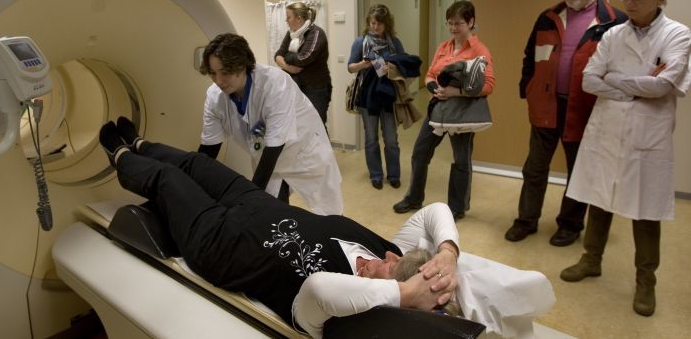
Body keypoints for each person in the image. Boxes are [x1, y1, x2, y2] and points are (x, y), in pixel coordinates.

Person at [99, 117, 555, 338]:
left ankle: (119, 155)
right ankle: (139, 141)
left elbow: (317, 286)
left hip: (220, 241)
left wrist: (401, 294)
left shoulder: (344, 313)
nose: (386, 258)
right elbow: (432, 211)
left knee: (168, 180)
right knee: (197, 163)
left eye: (390, 268)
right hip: (255, 204)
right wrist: (448, 254)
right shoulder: (384, 255)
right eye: (393, 257)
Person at [560, 0, 690, 317]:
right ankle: (591, 260)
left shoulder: (678, 35)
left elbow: (664, 85)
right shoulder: (613, 35)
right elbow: (589, 79)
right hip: (608, 130)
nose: (629, 3)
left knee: (645, 211)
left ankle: (646, 282)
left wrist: (615, 79)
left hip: (648, 135)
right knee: (599, 198)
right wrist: (636, 85)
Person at [504, 0, 628, 246]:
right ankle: (526, 220)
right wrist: (528, 89)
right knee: (534, 167)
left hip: (585, 110)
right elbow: (529, 55)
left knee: (579, 171)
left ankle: (570, 225)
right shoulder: (548, 17)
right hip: (546, 105)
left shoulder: (614, 21)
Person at [197, 33, 343, 215]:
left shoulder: (275, 84)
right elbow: (209, 149)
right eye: (212, 73)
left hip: (303, 153)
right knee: (273, 215)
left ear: (242, 65)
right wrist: (190, 184)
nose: (218, 81)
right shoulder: (214, 97)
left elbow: (274, 148)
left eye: (225, 73)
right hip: (265, 156)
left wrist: (249, 196)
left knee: (331, 217)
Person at [393, 1, 495, 220]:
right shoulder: (444, 46)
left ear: (471, 22)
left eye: (458, 23)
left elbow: (488, 86)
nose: (453, 28)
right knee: (420, 153)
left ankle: (456, 207)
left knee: (461, 159)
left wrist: (455, 92)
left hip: (462, 114)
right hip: (437, 109)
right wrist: (434, 88)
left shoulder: (479, 50)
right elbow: (430, 74)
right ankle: (414, 198)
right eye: (450, 23)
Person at [348, 4, 405, 190]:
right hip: (367, 97)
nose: (375, 27)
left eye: (379, 24)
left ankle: (394, 175)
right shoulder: (360, 42)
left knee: (391, 139)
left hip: (388, 96)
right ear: (368, 23)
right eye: (372, 23)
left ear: (387, 24)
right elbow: (350, 67)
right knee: (371, 138)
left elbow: (405, 67)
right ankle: (376, 175)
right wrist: (363, 65)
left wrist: (393, 69)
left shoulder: (394, 43)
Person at [274, 2, 332, 126]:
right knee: (300, 126)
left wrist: (287, 56)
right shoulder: (291, 33)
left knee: (317, 126)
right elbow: (278, 55)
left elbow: (303, 58)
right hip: (296, 85)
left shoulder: (316, 33)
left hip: (315, 88)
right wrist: (289, 68)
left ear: (299, 18)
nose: (286, 20)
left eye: (288, 17)